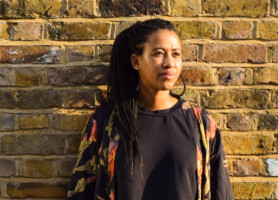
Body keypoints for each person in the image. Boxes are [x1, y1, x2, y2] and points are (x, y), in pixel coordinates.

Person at [67, 18, 233, 200]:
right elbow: (81, 193)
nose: (169, 63)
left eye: (176, 54)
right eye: (158, 53)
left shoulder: (200, 123)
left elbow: (221, 192)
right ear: (136, 61)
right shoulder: (106, 122)